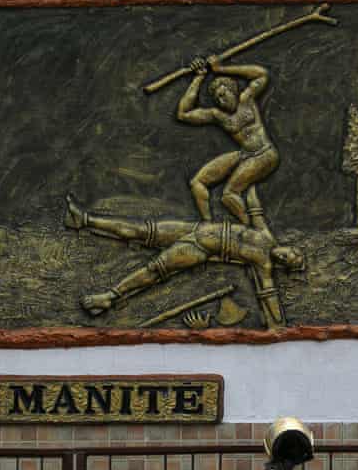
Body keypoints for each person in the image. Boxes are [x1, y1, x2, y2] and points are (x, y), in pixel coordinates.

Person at [64, 188, 304, 328]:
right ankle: (84, 220)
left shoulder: (263, 264)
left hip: (198, 250)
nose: (286, 257)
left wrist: (278, 325)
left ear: (284, 266)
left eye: (289, 262)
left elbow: (269, 296)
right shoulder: (265, 232)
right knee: (140, 230)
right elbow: (253, 200)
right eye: (291, 253)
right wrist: (250, 168)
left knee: (153, 270)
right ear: (289, 247)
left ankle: (108, 298)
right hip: (192, 228)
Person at [176, 56, 280, 225]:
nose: (221, 101)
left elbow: (262, 74)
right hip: (246, 154)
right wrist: (198, 78)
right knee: (198, 181)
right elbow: (183, 113)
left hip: (264, 154)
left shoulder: (247, 99)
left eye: (224, 95)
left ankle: (250, 228)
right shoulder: (218, 115)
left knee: (229, 194)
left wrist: (220, 69)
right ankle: (207, 224)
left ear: (233, 90)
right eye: (217, 99)